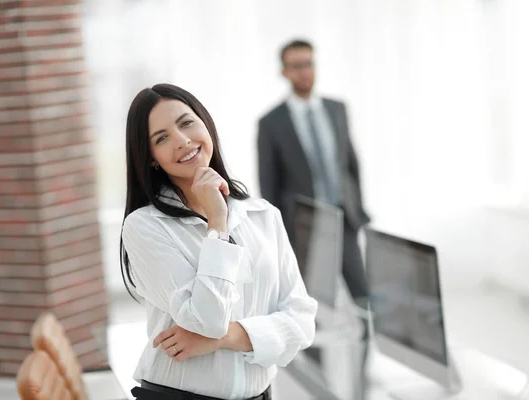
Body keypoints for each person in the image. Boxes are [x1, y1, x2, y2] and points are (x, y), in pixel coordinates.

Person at [120, 84, 317, 400]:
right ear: (152, 158)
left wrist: (225, 339)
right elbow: (205, 319)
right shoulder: (145, 226)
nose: (182, 140)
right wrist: (217, 221)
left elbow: (302, 322)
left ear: (205, 123)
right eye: (162, 138)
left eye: (186, 123)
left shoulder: (262, 215)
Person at [257, 39, 371, 300]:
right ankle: (311, 342)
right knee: (309, 299)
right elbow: (268, 182)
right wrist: (278, 233)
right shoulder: (271, 123)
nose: (304, 71)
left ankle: (366, 339)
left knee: (361, 293)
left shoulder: (337, 108)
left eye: (308, 63)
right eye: (296, 66)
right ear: (284, 72)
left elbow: (351, 165)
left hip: (344, 216)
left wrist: (359, 209)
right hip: (303, 224)